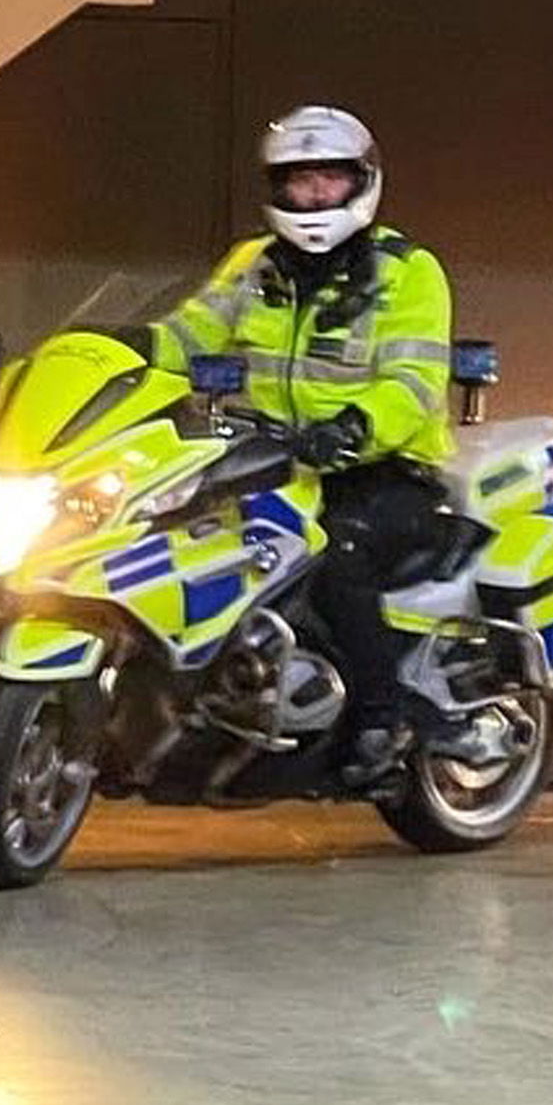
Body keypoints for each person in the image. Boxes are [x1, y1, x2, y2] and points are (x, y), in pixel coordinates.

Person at [147, 105, 454, 781]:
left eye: (329, 180)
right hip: (268, 459)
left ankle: (384, 715)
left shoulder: (407, 271)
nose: (314, 194)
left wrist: (353, 426)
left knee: (335, 550)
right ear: (275, 189)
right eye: (299, 180)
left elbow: (415, 380)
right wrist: (121, 352)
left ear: (361, 183)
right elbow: (186, 336)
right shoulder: (253, 266)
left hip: (382, 468)